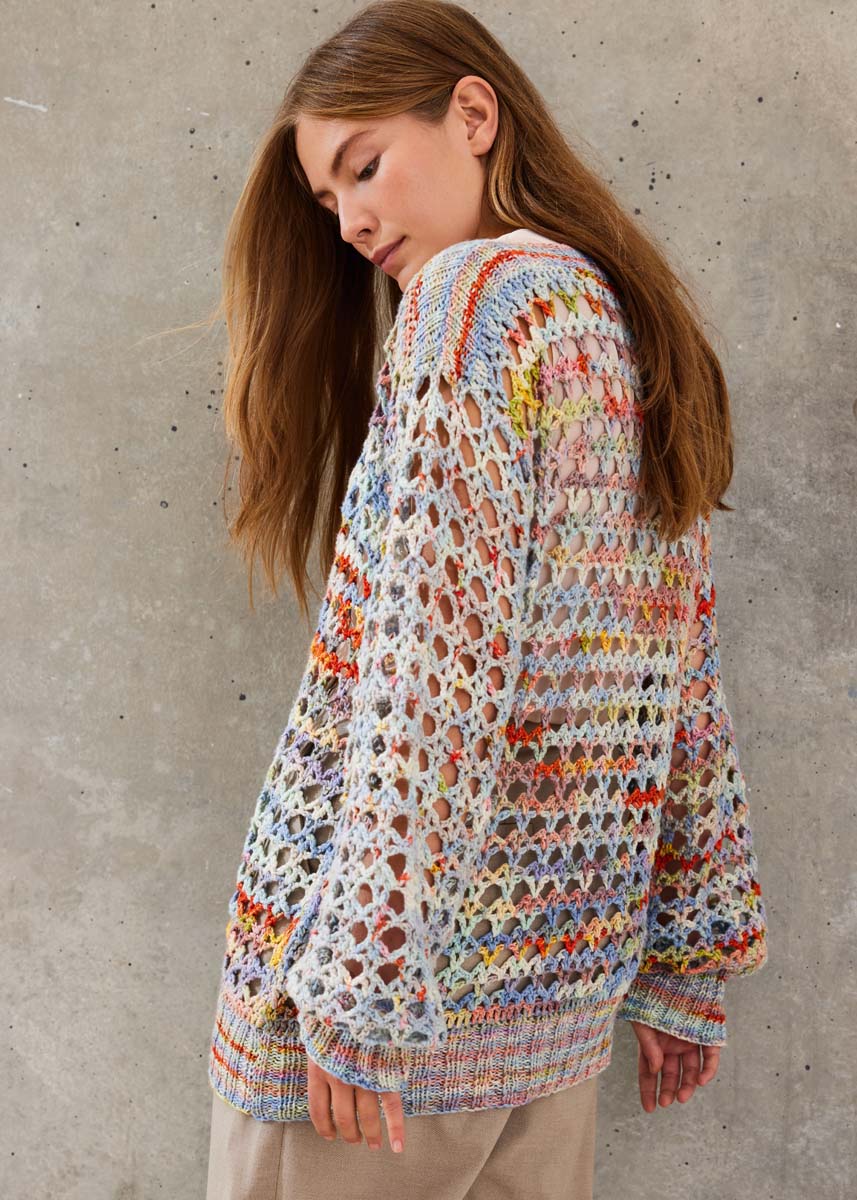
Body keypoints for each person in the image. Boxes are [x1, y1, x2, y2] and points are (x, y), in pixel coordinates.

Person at [202, 2, 769, 1197]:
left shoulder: (468, 305)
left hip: (375, 1047)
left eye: (363, 166)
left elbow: (424, 678)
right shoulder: (615, 319)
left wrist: (361, 987)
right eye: (327, 199)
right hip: (546, 1026)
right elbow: (669, 666)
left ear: (472, 114)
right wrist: (687, 952)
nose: (349, 220)